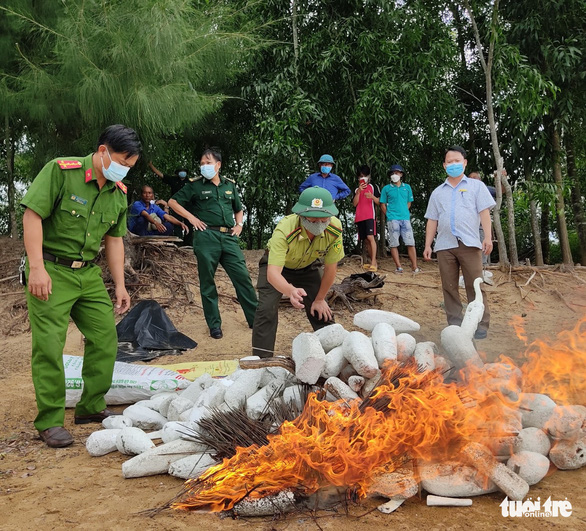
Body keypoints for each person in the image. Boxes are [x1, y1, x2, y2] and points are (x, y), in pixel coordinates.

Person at [21, 124, 141, 448]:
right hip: (51, 269)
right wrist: (36, 268)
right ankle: (49, 421)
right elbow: (32, 216)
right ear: (103, 152)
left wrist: (120, 284)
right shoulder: (62, 172)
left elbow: (114, 239)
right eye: (121, 162)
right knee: (49, 346)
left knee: (105, 337)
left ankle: (89, 406)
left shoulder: (118, 193)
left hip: (87, 274)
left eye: (130, 166)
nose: (124, 170)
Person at [168, 148, 257, 339]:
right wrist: (191, 218)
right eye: (202, 163)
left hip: (229, 237)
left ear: (218, 165)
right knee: (207, 282)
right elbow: (173, 202)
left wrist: (239, 225)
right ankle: (214, 325)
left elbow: (238, 209)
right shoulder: (195, 185)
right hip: (206, 237)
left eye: (208, 163)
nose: (204, 166)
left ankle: (255, 319)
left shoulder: (229, 185)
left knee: (243, 278)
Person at [252, 187, 344, 358]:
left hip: (308, 267)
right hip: (278, 268)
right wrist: (290, 290)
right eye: (313, 219)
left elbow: (331, 268)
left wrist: (320, 298)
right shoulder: (285, 229)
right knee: (266, 309)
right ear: (301, 215)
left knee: (322, 311)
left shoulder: (335, 229)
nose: (319, 223)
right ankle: (261, 360)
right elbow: (273, 274)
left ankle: (334, 356)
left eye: (324, 218)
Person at [423, 146, 496, 340]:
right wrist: (428, 245)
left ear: (464, 163)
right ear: (444, 165)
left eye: (457, 161)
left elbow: (484, 213)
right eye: (450, 162)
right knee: (449, 286)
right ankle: (455, 324)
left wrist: (487, 237)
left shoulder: (476, 187)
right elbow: (432, 220)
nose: (453, 164)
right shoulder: (438, 193)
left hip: (470, 244)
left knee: (475, 285)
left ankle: (481, 323)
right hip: (445, 245)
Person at [379, 164, 420, 273]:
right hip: (392, 219)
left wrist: (404, 212)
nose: (394, 175)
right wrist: (389, 215)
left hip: (405, 218)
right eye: (392, 173)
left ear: (401, 174)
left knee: (410, 242)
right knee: (393, 243)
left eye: (397, 173)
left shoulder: (407, 187)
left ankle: (414, 266)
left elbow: (409, 202)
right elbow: (382, 204)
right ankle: (398, 266)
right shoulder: (386, 188)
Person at [352, 165, 380, 271]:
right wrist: (358, 192)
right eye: (360, 176)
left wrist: (372, 197)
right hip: (360, 217)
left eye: (364, 176)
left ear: (369, 176)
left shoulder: (373, 187)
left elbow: (379, 201)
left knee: (370, 237)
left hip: (370, 216)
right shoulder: (356, 189)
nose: (362, 178)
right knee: (366, 240)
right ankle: (373, 262)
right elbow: (354, 204)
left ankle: (373, 262)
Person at [468, 172, 496, 265]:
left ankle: (483, 265)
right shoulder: (463, 189)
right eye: (470, 177)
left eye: (475, 177)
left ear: (480, 180)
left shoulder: (484, 188)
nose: (472, 179)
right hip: (467, 224)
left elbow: (500, 191)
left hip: (481, 223)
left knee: (483, 244)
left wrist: (500, 180)